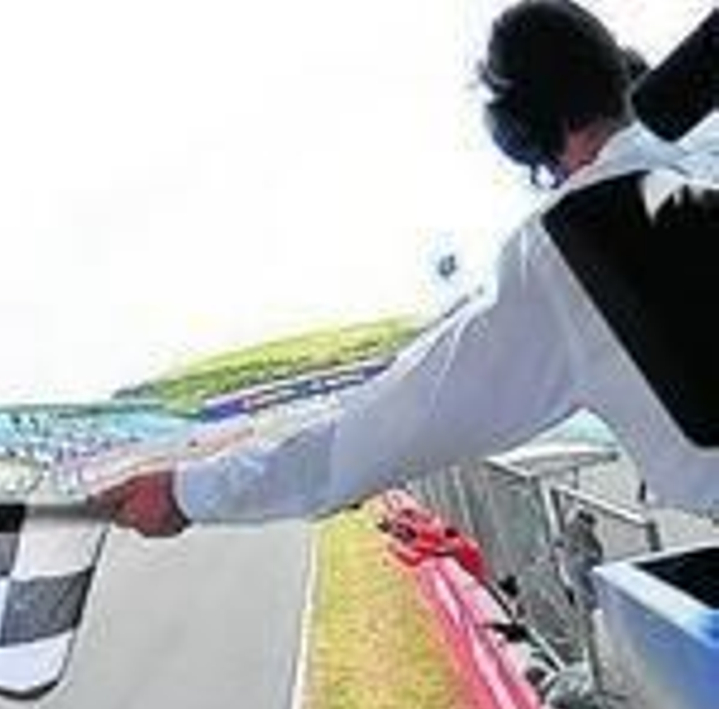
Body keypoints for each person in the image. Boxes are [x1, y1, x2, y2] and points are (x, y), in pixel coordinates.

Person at [98, 1, 719, 537]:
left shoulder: (562, 254)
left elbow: (372, 434)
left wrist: (187, 492)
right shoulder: (699, 157)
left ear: (517, 134)